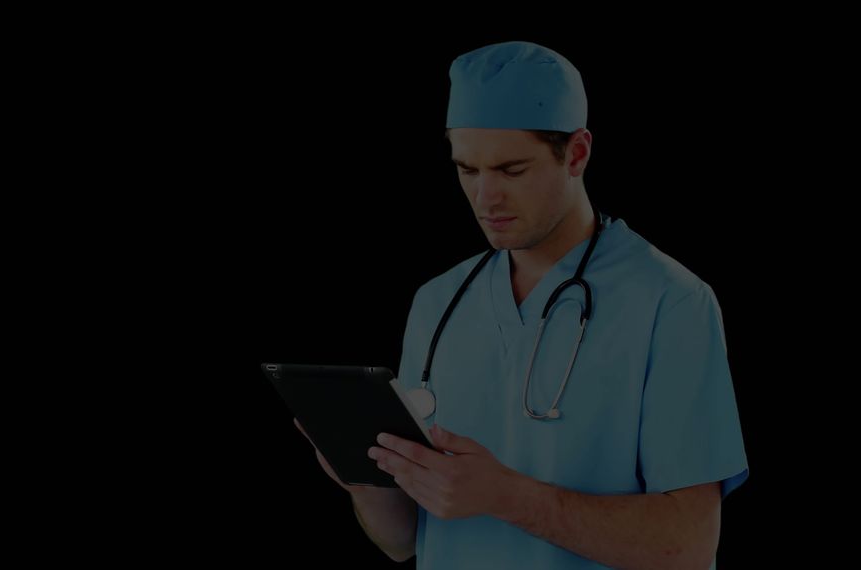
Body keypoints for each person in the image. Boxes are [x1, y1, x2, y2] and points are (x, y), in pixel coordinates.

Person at [295, 41, 748, 569]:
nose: (486, 198)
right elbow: (404, 542)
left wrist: (508, 497)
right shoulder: (437, 303)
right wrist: (363, 480)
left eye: (512, 171)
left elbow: (689, 547)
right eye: (467, 170)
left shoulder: (670, 303)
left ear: (576, 154)